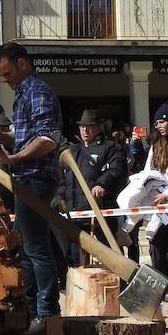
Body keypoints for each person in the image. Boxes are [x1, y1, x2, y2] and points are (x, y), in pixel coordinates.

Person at [0, 43, 62, 335]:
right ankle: (33, 311)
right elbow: (26, 136)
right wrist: (3, 137)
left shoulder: (37, 92)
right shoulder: (24, 95)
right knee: (31, 250)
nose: (6, 80)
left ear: (22, 63)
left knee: (37, 249)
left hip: (35, 176)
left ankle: (47, 313)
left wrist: (15, 158)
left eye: (7, 73)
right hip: (27, 176)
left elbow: (48, 138)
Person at [117, 104, 168, 298]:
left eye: (162, 122)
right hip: (156, 202)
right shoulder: (156, 145)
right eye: (156, 123)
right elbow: (148, 171)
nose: (159, 126)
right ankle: (160, 285)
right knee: (158, 244)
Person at [56, 111, 128, 264]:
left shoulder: (111, 147)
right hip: (76, 212)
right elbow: (63, 178)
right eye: (82, 127)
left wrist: (103, 184)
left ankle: (118, 284)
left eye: (89, 127)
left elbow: (117, 170)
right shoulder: (74, 151)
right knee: (76, 255)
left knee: (109, 252)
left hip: (101, 209)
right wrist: (60, 197)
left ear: (98, 128)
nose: (85, 131)